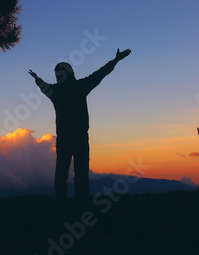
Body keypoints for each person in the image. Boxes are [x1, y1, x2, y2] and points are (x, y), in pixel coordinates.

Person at [28, 48, 131, 203]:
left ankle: (62, 204)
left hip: (64, 138)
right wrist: (116, 60)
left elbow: (43, 85)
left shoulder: (56, 91)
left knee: (62, 173)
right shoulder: (80, 87)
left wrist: (37, 79)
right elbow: (100, 73)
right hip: (80, 137)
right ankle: (81, 204)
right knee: (80, 173)